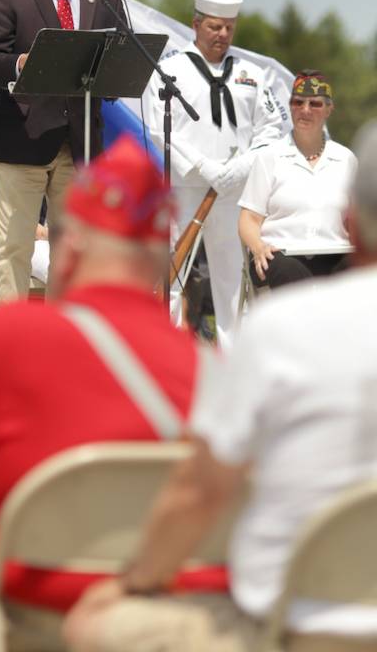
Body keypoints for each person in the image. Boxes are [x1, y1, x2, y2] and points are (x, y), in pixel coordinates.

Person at [63, 121, 377, 652]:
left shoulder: (283, 329)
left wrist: (135, 582)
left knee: (89, 627)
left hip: (290, 623)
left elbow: (201, 490)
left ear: (350, 220)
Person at [0, 136, 204, 617]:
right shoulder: (211, 373)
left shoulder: (7, 339)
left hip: (24, 613)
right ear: (160, 262)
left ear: (71, 246)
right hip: (161, 615)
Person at [0, 0, 128, 302]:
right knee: (14, 247)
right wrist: (20, 63)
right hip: (21, 138)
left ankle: (64, 341)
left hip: (79, 145)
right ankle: (11, 341)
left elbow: (117, 64)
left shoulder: (106, 0)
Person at [141, 0, 287, 348]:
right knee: (173, 272)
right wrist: (202, 166)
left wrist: (242, 167)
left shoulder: (252, 74)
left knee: (231, 278)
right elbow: (159, 128)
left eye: (228, 28)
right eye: (214, 26)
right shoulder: (169, 70)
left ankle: (233, 355)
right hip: (186, 187)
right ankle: (168, 350)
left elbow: (271, 131)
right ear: (196, 24)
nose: (222, 34)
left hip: (236, 191)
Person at [239, 70, 356, 290]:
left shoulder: (346, 159)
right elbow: (249, 219)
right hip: (280, 255)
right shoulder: (269, 156)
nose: (305, 110)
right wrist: (258, 247)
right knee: (291, 273)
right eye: (298, 102)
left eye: (315, 104)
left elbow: (356, 220)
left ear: (329, 109)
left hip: (335, 253)